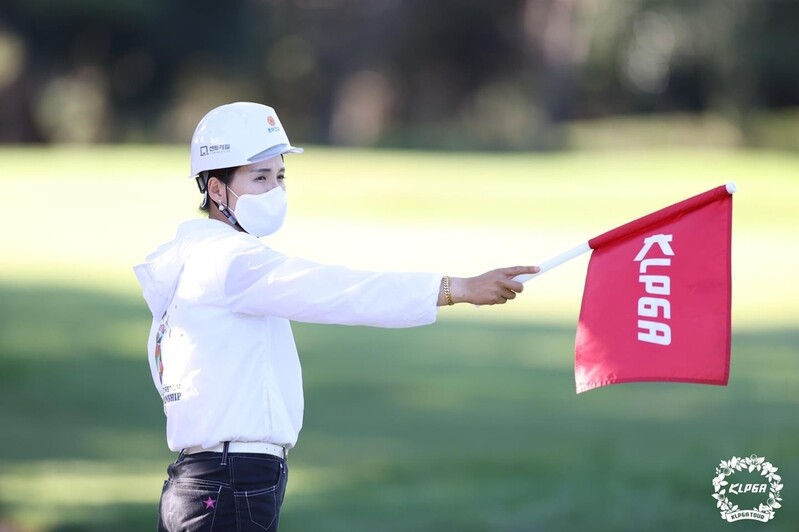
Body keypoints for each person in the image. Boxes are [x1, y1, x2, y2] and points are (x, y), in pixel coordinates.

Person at [134, 101, 539, 531]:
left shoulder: (191, 262)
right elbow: (336, 291)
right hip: (229, 481)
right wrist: (456, 289)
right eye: (260, 177)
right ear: (216, 189)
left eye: (280, 176)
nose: (275, 190)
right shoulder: (230, 261)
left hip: (204, 481)